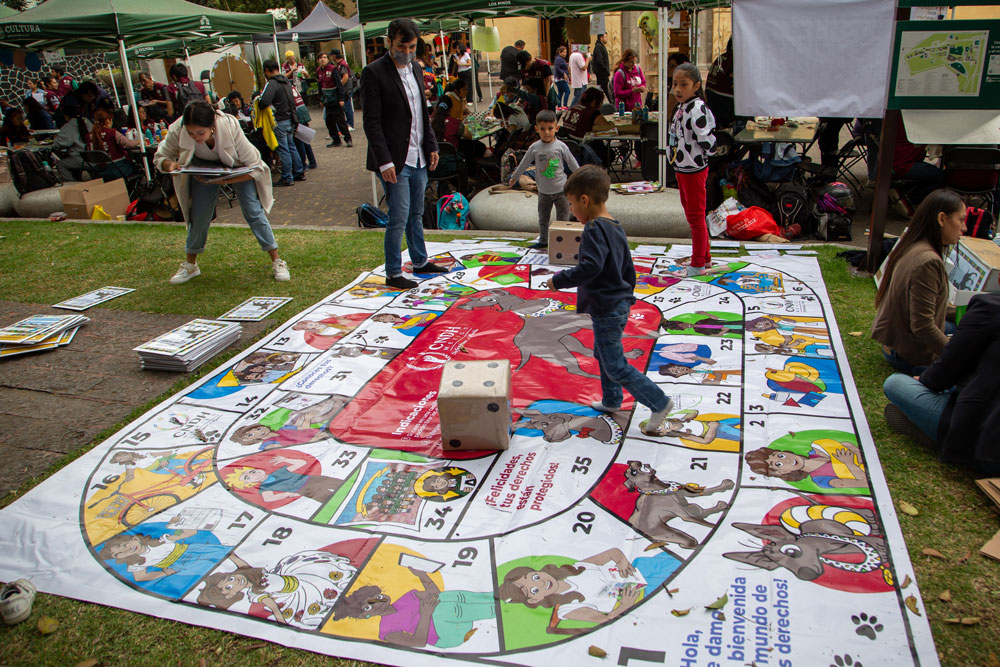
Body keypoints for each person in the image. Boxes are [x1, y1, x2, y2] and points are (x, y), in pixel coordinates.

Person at [545, 165, 674, 435]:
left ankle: (659, 403)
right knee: (603, 355)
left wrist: (560, 279)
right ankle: (612, 399)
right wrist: (627, 292)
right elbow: (629, 267)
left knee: (615, 364)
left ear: (585, 200)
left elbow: (590, 267)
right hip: (617, 303)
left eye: (571, 204)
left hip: (607, 307)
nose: (571, 212)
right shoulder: (615, 225)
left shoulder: (593, 229)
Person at [153, 100, 290, 284]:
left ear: (212, 127)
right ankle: (190, 265)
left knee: (252, 210)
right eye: (191, 133)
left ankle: (277, 260)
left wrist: (226, 180)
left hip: (240, 169)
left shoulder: (229, 126)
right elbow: (161, 156)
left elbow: (256, 167)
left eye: (200, 133)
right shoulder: (179, 127)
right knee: (199, 215)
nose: (196, 137)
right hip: (203, 171)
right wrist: (171, 165)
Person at [361, 18, 446, 290]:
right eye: (402, 46)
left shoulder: (417, 69)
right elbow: (371, 122)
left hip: (418, 154)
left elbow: (423, 113)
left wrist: (432, 145)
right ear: (389, 42)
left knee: (416, 213)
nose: (407, 52)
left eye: (411, 47)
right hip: (394, 159)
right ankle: (393, 272)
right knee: (398, 215)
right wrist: (384, 161)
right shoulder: (374, 72)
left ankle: (419, 261)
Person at [883, 291, 1000, 475]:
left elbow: (948, 367)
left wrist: (927, 379)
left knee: (895, 383)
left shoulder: (991, 306)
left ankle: (940, 436)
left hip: (984, 441)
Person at [870, 189, 966, 374]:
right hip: (905, 354)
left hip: (895, 342)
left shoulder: (914, 244)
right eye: (961, 220)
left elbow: (929, 306)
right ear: (941, 219)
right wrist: (955, 357)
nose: (964, 228)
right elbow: (922, 325)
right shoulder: (928, 261)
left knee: (966, 326)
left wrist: (968, 313)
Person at [669, 63, 716, 276]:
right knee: (692, 215)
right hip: (682, 167)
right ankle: (704, 257)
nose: (677, 89)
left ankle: (698, 262)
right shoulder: (681, 107)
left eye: (683, 85)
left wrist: (706, 153)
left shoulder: (697, 108)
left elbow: (707, 139)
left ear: (696, 85)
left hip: (694, 169)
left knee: (696, 216)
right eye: (675, 84)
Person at [508, 110, 580, 249]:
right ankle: (543, 241)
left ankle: (563, 242)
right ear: (536, 129)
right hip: (544, 192)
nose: (547, 132)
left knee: (563, 218)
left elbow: (572, 163)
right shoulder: (534, 148)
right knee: (543, 218)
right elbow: (523, 163)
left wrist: (580, 178)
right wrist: (514, 177)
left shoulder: (561, 146)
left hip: (561, 191)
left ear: (556, 128)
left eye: (550, 129)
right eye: (543, 129)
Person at [258, 59, 306, 187]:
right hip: (290, 118)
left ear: (267, 70)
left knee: (284, 149)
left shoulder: (272, 83)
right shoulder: (286, 82)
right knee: (291, 147)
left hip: (279, 120)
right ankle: (299, 172)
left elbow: (264, 102)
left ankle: (287, 177)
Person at [892, 114, 945, 212]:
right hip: (903, 165)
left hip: (894, 164)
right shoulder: (917, 122)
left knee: (932, 173)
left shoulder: (899, 118)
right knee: (942, 177)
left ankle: (902, 191)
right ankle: (907, 195)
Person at [86, 108, 140, 179]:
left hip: (100, 171)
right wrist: (140, 141)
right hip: (118, 169)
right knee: (138, 167)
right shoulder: (111, 132)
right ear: (108, 120)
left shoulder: (89, 135)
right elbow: (130, 144)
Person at [318, 51, 352, 148]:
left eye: (324, 57)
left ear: (328, 59)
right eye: (321, 58)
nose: (323, 59)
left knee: (340, 121)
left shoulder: (333, 69)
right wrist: (321, 99)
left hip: (336, 99)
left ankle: (348, 139)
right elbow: (320, 86)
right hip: (327, 101)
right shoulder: (319, 71)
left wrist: (341, 99)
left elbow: (339, 84)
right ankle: (336, 140)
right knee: (329, 122)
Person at [52, 101, 93, 181]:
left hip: (82, 159)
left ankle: (72, 183)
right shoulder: (86, 121)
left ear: (65, 116)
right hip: (94, 157)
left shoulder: (68, 126)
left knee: (60, 164)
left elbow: (57, 144)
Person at [705, 38, 734, 130]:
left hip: (712, 107)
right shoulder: (734, 61)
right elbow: (738, 88)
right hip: (725, 111)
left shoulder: (721, 58)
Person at [333, 49, 357, 130]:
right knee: (346, 106)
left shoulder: (342, 64)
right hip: (347, 88)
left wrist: (339, 86)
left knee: (347, 106)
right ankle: (349, 123)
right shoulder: (341, 63)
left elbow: (345, 77)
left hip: (346, 89)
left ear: (334, 55)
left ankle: (350, 124)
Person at [592, 34, 611, 103]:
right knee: (608, 91)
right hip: (602, 74)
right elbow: (599, 61)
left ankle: (597, 104)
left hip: (602, 73)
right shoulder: (599, 47)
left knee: (600, 91)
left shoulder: (600, 46)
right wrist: (606, 70)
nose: (607, 39)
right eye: (605, 37)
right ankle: (614, 105)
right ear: (601, 38)